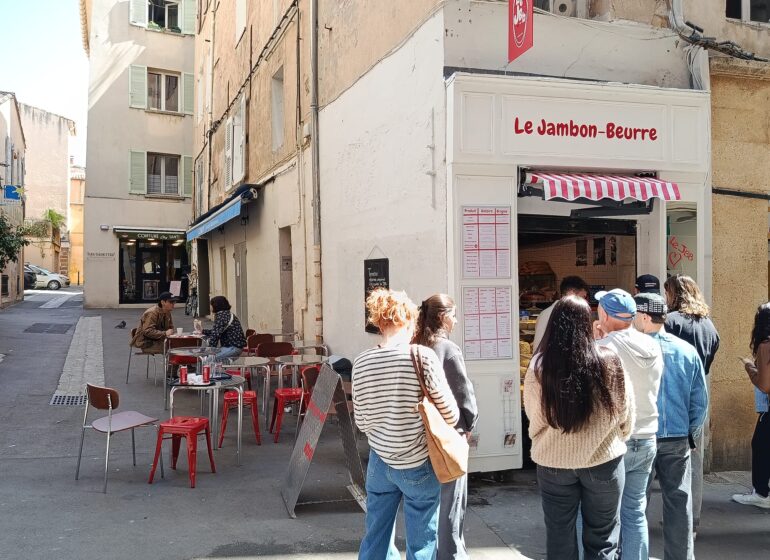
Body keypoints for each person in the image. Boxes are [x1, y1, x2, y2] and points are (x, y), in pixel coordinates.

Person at [524, 295, 634, 560]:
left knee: (559, 535)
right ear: (588, 322)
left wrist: (545, 439)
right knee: (604, 538)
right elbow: (625, 411)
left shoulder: (539, 366)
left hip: (553, 463)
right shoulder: (609, 359)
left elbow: (535, 418)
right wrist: (617, 437)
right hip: (604, 461)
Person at [353, 288, 459, 560]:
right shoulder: (422, 357)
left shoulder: (361, 361)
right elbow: (451, 415)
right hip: (419, 463)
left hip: (379, 460)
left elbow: (362, 422)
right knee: (421, 541)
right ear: (410, 321)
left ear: (378, 323)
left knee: (375, 536)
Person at [634, 292, 708, 560]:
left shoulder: (630, 350)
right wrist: (690, 432)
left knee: (635, 506)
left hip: (640, 436)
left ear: (643, 317)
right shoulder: (687, 351)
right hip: (677, 437)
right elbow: (700, 402)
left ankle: (634, 554)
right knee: (679, 504)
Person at [594, 289, 663, 560]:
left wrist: (597, 339)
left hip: (616, 438)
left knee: (603, 513)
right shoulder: (652, 344)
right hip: (647, 435)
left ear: (605, 314)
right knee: (635, 510)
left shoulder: (606, 347)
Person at [413, 293, 478, 560]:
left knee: (427, 508)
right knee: (451, 507)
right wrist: (468, 425)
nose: (456, 320)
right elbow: (464, 394)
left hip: (421, 435)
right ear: (442, 317)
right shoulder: (448, 349)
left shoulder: (414, 344)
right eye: (453, 314)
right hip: (448, 435)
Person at [663, 274, 719, 530]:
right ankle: (692, 520)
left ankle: (661, 518)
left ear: (674, 294)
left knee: (661, 459)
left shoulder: (671, 322)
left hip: (672, 391)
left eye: (667, 294)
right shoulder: (709, 326)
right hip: (700, 392)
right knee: (694, 460)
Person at [733, 303, 770, 509]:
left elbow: (765, 385)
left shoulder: (766, 345)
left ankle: (762, 493)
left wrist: (750, 368)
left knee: (760, 445)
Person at [533, 275, 589, 351]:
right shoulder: (568, 313)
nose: (584, 302)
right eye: (583, 297)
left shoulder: (544, 312)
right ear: (571, 294)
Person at [202, 296, 247, 362]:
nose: (210, 307)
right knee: (210, 359)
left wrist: (209, 351)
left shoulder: (221, 316)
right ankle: (217, 371)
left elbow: (215, 335)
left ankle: (213, 372)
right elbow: (217, 331)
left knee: (208, 360)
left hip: (232, 348)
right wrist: (203, 331)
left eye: (211, 304)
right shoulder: (227, 314)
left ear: (216, 305)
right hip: (235, 347)